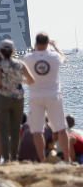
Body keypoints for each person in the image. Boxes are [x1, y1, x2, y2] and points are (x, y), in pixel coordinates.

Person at [22, 33, 71, 162]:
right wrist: (55, 46)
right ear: (47, 43)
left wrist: (35, 49)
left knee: (37, 131)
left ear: (36, 43)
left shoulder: (28, 58)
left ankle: (42, 159)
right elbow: (64, 58)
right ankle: (67, 158)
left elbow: (25, 71)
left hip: (35, 96)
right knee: (61, 128)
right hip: (53, 95)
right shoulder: (54, 56)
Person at [0, 40, 35, 164]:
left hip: (3, 98)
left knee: (3, 130)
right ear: (13, 51)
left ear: (1, 51)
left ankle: (6, 159)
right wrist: (20, 81)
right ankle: (15, 157)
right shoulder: (20, 64)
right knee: (16, 129)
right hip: (18, 98)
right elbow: (31, 80)